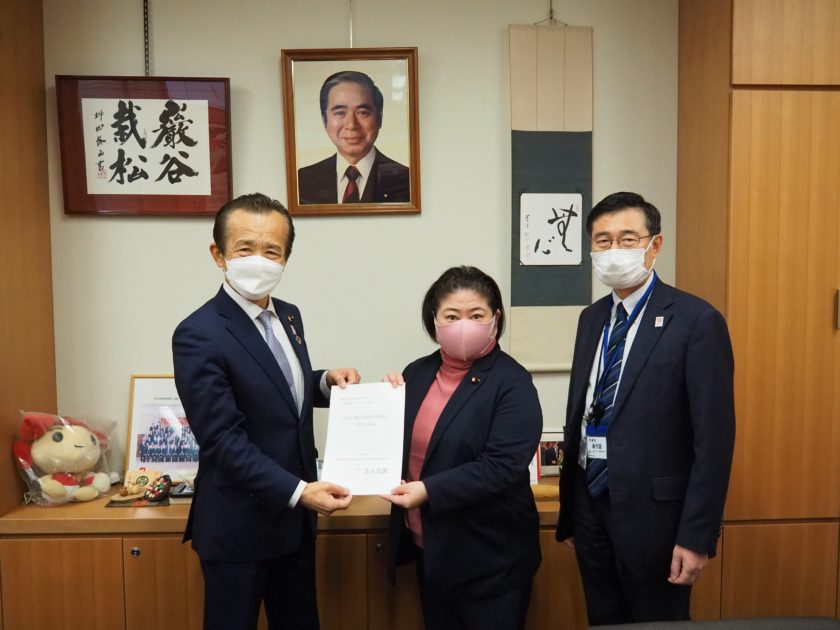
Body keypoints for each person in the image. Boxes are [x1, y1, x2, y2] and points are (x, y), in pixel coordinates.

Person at [172, 192, 360, 630]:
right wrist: (300, 491)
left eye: (272, 251)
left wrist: (325, 381)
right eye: (245, 248)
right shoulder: (198, 333)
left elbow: (277, 387)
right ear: (218, 254)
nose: (259, 260)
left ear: (285, 259)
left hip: (293, 525)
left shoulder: (289, 316)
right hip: (239, 526)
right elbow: (222, 440)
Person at [555, 192, 736, 625]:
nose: (613, 249)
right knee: (603, 619)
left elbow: (714, 440)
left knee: (657, 623)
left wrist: (697, 535)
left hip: (658, 520)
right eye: (602, 240)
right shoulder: (591, 318)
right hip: (591, 507)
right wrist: (574, 514)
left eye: (627, 238)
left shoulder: (696, 321)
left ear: (655, 245)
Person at [382, 266, 542, 630]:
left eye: (476, 315)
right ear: (435, 320)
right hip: (429, 549)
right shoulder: (416, 373)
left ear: (495, 319)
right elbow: (401, 447)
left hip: (490, 559)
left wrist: (427, 490)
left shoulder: (513, 382)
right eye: (452, 316)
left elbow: (501, 466)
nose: (464, 325)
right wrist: (382, 402)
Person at [298, 70, 409, 205]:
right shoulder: (302, 181)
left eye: (362, 113)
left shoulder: (407, 181)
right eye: (340, 113)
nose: (351, 125)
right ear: (324, 120)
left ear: (379, 118)